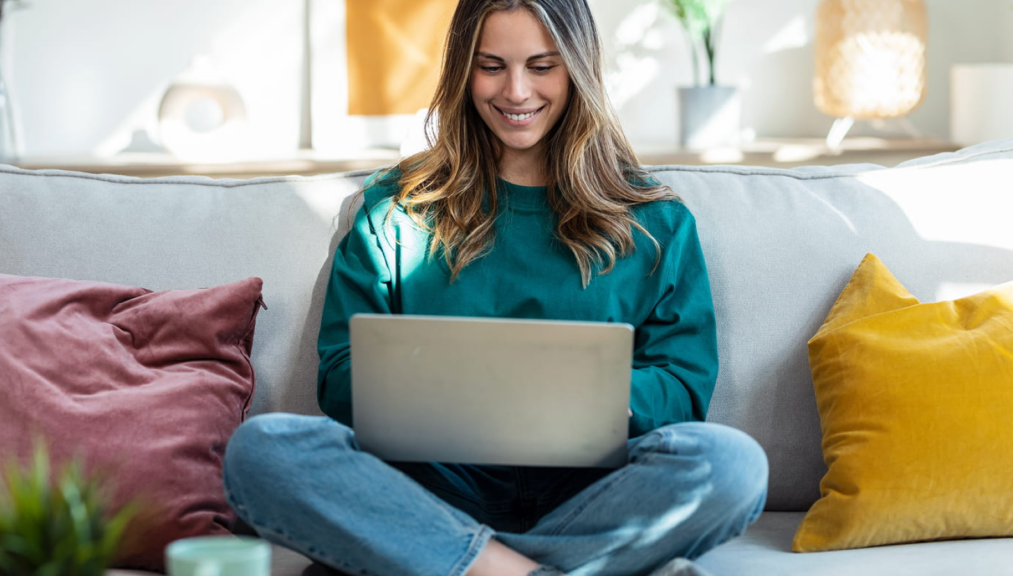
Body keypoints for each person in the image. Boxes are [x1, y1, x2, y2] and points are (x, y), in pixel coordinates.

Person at [221, 0, 768, 575]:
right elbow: (339, 379)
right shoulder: (395, 207)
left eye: (541, 65)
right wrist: (450, 384)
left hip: (593, 491)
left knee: (732, 465)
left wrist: (574, 392)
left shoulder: (656, 221)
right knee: (262, 450)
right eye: (491, 65)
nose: (515, 91)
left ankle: (450, 560)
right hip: (429, 487)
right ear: (462, 68)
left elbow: (683, 388)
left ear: (577, 68)